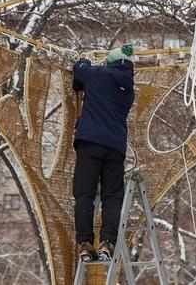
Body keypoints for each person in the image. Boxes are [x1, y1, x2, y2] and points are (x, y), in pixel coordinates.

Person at [72, 44, 135, 262]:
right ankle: (107, 242)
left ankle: (85, 243)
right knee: (112, 197)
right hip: (116, 148)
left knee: (84, 194)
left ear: (109, 62)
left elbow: (79, 67)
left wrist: (87, 61)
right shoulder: (129, 89)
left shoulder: (99, 75)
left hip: (90, 142)